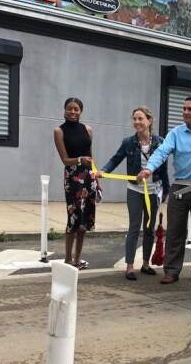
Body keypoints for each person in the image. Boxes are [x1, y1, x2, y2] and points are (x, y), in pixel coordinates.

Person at [137, 97, 191, 284]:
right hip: (180, 188)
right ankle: (172, 270)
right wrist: (149, 168)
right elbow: (162, 152)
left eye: (190, 109)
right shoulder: (175, 133)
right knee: (175, 231)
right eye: (183, 108)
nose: (185, 112)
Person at [97, 106, 169, 280]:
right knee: (134, 227)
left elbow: (164, 167)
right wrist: (104, 171)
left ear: (149, 120)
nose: (137, 122)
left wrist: (166, 188)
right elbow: (116, 158)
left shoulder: (160, 142)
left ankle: (145, 263)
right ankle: (130, 266)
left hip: (154, 190)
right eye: (134, 119)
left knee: (149, 228)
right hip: (135, 189)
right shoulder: (128, 142)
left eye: (140, 119)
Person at [53, 97, 99, 269]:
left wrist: (95, 177)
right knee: (73, 217)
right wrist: (80, 160)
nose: (73, 112)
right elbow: (65, 160)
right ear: (64, 110)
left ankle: (78, 258)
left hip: (88, 177)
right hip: (73, 177)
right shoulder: (59, 131)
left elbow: (91, 156)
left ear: (81, 111)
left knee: (85, 218)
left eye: (76, 109)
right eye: (70, 108)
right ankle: (67, 258)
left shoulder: (88, 129)